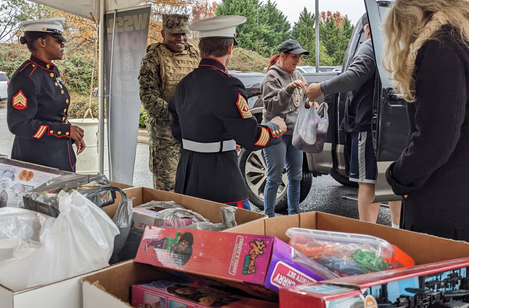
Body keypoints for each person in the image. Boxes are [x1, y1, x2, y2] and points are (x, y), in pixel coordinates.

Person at [169, 15, 287, 209]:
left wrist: (215, 142)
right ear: (230, 48)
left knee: (194, 233)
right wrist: (275, 127)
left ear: (200, 48)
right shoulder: (229, 85)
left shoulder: (184, 84)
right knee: (239, 233)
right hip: (220, 179)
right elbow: (252, 138)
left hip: (187, 176)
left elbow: (177, 128)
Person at [381, 0, 469, 242]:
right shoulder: (464, 41)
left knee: (436, 279)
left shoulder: (439, 49)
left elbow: (436, 136)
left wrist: (399, 178)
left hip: (444, 204)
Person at [304, 15, 401, 226]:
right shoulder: (399, 48)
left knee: (368, 182)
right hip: (397, 125)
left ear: (367, 30)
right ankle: (398, 230)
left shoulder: (370, 45)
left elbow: (354, 75)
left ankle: (369, 238)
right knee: (393, 180)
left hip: (369, 125)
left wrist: (320, 88)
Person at [6, 17, 85, 171]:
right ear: (42, 42)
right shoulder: (26, 77)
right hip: (38, 163)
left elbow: (52, 114)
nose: (62, 45)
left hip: (60, 156)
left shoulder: (51, 71)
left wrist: (70, 135)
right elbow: (19, 125)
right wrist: (65, 131)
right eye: (58, 41)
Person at [138, 14, 201, 191]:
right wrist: (178, 115)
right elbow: (148, 97)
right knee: (168, 189)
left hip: (192, 133)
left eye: (184, 34)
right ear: (163, 33)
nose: (180, 39)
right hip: (166, 136)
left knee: (191, 187)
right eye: (175, 34)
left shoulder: (194, 55)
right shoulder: (153, 58)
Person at [260, 39, 311, 217]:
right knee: (275, 176)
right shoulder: (271, 77)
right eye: (294, 57)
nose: (297, 61)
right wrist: (288, 89)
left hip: (294, 134)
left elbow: (303, 100)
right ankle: (269, 216)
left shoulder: (299, 76)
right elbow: (273, 107)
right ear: (282, 56)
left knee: (296, 177)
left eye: (299, 58)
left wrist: (312, 104)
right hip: (275, 133)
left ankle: (294, 216)